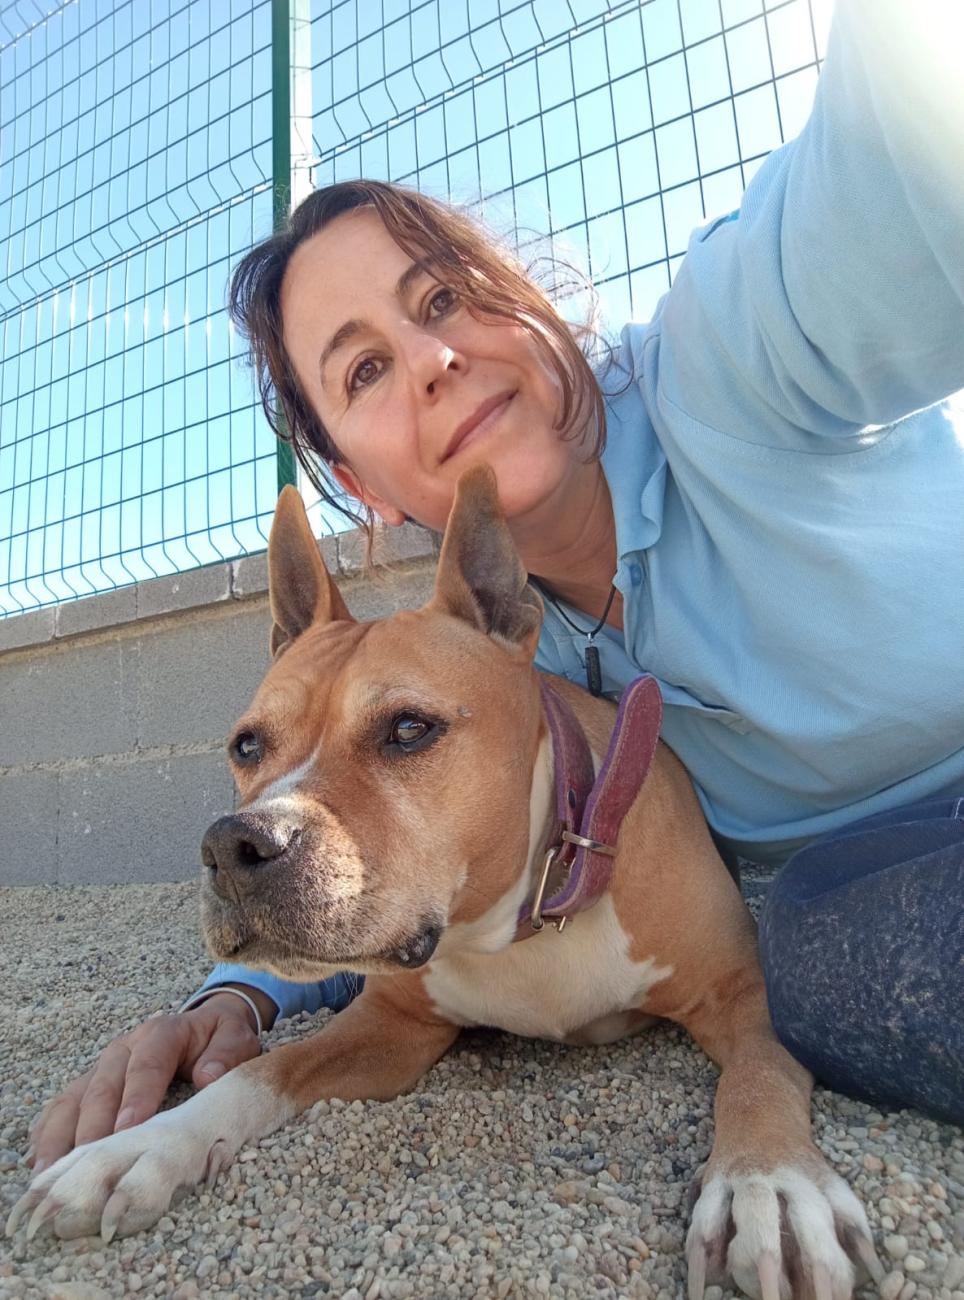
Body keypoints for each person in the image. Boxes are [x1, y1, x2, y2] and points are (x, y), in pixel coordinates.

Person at [27, 0, 964, 1177]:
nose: (431, 360)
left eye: (442, 299)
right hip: (862, 886)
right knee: (820, 944)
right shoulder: (501, 660)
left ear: (529, 298)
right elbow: (388, 833)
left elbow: (896, 149)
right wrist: (239, 987)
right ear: (359, 484)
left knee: (825, 959)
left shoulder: (741, 359)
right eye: (365, 368)